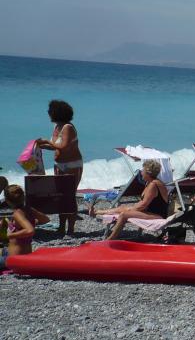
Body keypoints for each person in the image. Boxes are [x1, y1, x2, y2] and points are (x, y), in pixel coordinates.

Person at [90, 159, 171, 240]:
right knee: (122, 208)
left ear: (148, 173)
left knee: (124, 214)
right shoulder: (150, 182)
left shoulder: (153, 185)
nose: (141, 172)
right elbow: (143, 203)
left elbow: (144, 204)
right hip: (149, 211)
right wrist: (130, 208)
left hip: (157, 215)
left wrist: (131, 210)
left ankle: (109, 239)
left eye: (143, 170)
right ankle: (96, 212)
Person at [36, 100, 83, 235]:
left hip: (72, 165)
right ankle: (62, 226)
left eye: (50, 111)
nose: (49, 114)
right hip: (59, 164)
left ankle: (71, 228)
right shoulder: (57, 127)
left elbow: (64, 146)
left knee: (69, 196)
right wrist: (40, 146)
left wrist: (46, 141)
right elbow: (55, 146)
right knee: (61, 196)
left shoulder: (68, 127)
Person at [0, 184, 50, 269]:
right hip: (20, 253)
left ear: (7, 200)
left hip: (15, 259)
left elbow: (30, 230)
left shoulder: (17, 214)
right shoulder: (29, 209)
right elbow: (46, 219)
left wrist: (9, 235)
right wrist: (31, 222)